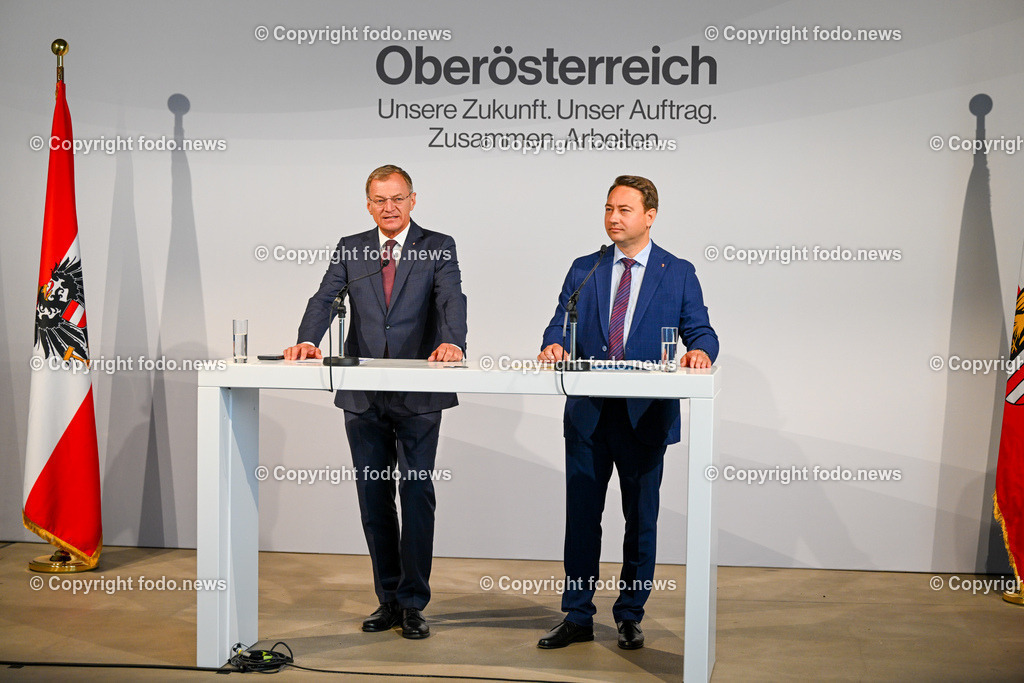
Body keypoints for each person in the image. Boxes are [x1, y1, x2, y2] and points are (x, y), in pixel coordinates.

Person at [536, 175, 718, 650]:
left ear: (649, 216)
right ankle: (577, 614)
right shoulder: (586, 267)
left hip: (645, 418)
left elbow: (701, 330)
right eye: (608, 209)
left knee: (641, 522)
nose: (613, 218)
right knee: (582, 519)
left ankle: (630, 615)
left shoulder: (677, 272)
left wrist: (700, 352)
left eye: (624, 210)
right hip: (589, 417)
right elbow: (558, 322)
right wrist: (553, 343)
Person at [284, 165, 467, 639]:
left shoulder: (437, 245)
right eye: (380, 200)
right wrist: (307, 340)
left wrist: (452, 342)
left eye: (397, 198)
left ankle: (414, 603)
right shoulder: (353, 248)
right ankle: (388, 599)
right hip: (364, 396)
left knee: (416, 494)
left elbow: (451, 298)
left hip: (419, 393)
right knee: (373, 498)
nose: (389, 207)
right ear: (368, 205)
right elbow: (324, 298)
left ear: (412, 200)